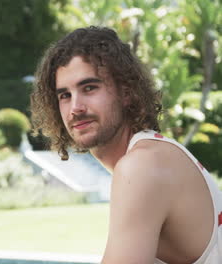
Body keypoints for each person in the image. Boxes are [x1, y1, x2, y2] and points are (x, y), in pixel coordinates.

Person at [30, 26, 222, 264]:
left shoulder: (141, 166)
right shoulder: (151, 153)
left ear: (126, 92)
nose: (75, 108)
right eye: (65, 95)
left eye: (89, 88)